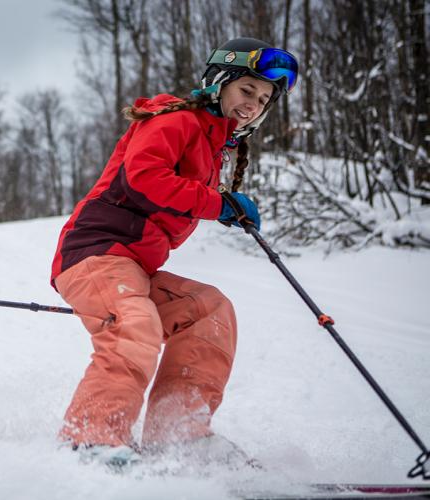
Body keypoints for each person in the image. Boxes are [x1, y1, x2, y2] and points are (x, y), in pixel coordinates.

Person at [50, 38, 299, 465]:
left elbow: (182, 195)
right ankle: (89, 443)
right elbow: (144, 178)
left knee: (208, 310)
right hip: (95, 253)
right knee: (135, 325)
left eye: (263, 99)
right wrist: (218, 204)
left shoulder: (213, 144)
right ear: (219, 83)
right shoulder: (178, 120)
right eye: (246, 90)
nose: (253, 104)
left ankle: (177, 435)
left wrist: (226, 206)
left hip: (133, 266)